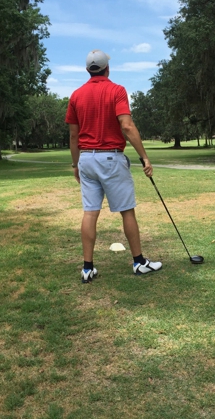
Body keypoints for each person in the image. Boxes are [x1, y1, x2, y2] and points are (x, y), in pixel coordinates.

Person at [65, 49, 162, 284]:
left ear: (88, 70)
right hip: (110, 158)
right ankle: (139, 262)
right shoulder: (116, 90)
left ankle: (87, 268)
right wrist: (144, 157)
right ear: (107, 68)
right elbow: (127, 126)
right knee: (127, 210)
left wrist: (76, 164)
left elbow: (73, 135)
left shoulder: (76, 95)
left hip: (86, 159)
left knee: (90, 212)